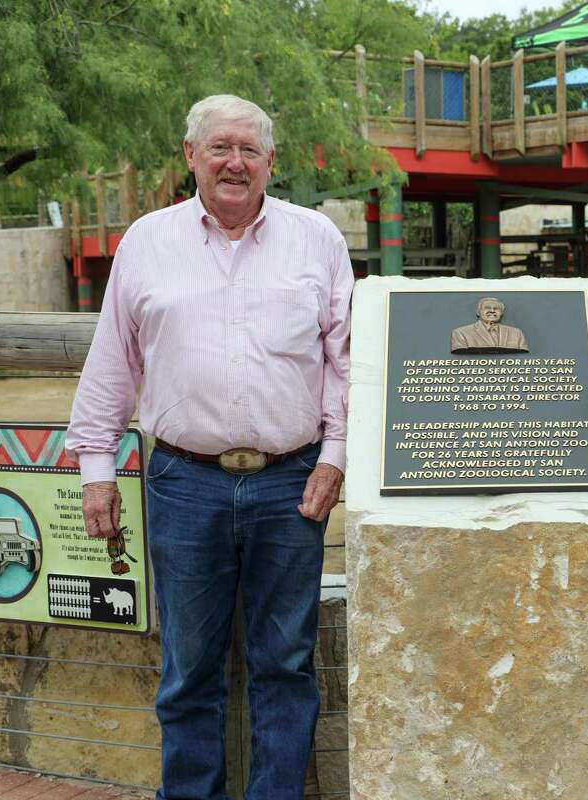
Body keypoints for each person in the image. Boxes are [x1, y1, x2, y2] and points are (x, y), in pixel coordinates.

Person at [66, 94, 353, 800]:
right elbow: (113, 362)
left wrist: (336, 453)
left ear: (270, 163)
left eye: (249, 150)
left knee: (285, 666)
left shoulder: (318, 239)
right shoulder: (146, 242)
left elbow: (345, 357)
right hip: (182, 481)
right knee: (189, 669)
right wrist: (96, 470)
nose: (234, 162)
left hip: (293, 484)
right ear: (190, 155)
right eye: (219, 147)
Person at [450, 296, 529, 353]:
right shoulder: (461, 333)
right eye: (487, 308)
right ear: (478, 312)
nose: (492, 311)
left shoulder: (516, 333)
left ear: (501, 313)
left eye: (496, 308)